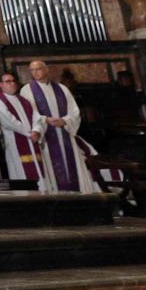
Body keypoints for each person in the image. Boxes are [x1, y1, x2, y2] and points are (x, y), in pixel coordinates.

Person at [24, 59, 99, 193]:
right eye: (32, 70)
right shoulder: (27, 90)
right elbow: (29, 113)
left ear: (46, 70)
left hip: (65, 134)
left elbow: (74, 112)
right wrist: (46, 119)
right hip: (46, 136)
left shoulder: (62, 88)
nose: (35, 72)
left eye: (38, 69)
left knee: (73, 166)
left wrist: (64, 121)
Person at [0, 71, 46, 189]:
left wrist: (36, 130)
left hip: (32, 141)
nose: (12, 84)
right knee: (22, 175)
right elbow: (9, 121)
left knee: (39, 173)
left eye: (13, 81)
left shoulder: (24, 100)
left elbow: (36, 117)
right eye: (8, 82)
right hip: (15, 144)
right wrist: (29, 133)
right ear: (0, 85)